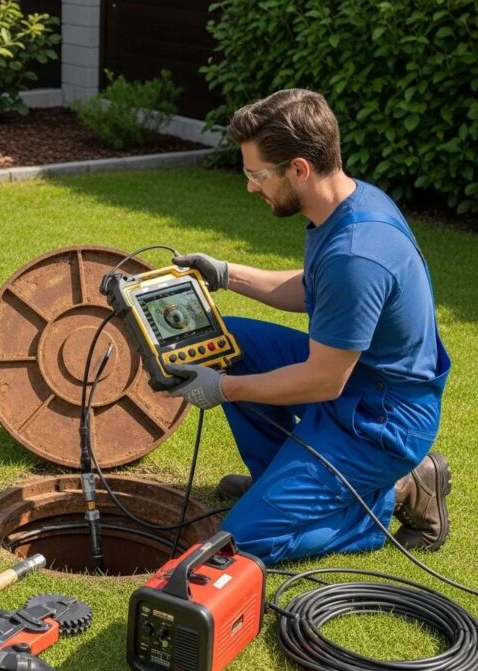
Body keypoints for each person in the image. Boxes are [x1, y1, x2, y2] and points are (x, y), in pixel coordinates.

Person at [165, 88, 451, 565]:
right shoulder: (346, 204)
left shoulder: (357, 252)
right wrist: (225, 273)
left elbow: (323, 380)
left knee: (242, 543)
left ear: (299, 168)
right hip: (357, 381)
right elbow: (314, 288)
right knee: (226, 340)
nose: (251, 187)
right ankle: (277, 477)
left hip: (379, 420)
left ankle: (391, 497)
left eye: (257, 175)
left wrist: (224, 388)